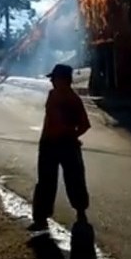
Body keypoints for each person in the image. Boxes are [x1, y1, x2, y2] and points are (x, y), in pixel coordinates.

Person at [29, 64, 91, 232]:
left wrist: (71, 136)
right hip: (48, 144)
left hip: (67, 145)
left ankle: (80, 211)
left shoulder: (73, 100)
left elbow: (85, 125)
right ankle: (41, 218)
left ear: (64, 80)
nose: (52, 82)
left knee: (74, 179)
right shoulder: (52, 94)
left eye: (54, 79)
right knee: (45, 182)